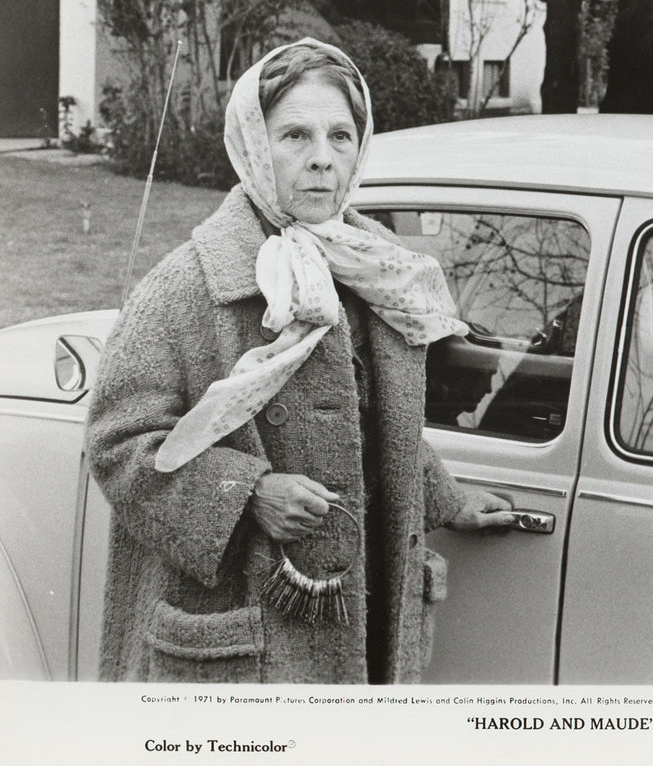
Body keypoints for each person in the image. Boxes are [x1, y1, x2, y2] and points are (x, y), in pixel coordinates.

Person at [87, 38, 513, 684]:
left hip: (362, 617)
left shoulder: (380, 270)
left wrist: (447, 497)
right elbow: (116, 443)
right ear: (256, 146)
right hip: (244, 646)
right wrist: (249, 492)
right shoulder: (188, 287)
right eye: (295, 136)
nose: (322, 159)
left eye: (341, 137)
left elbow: (368, 426)